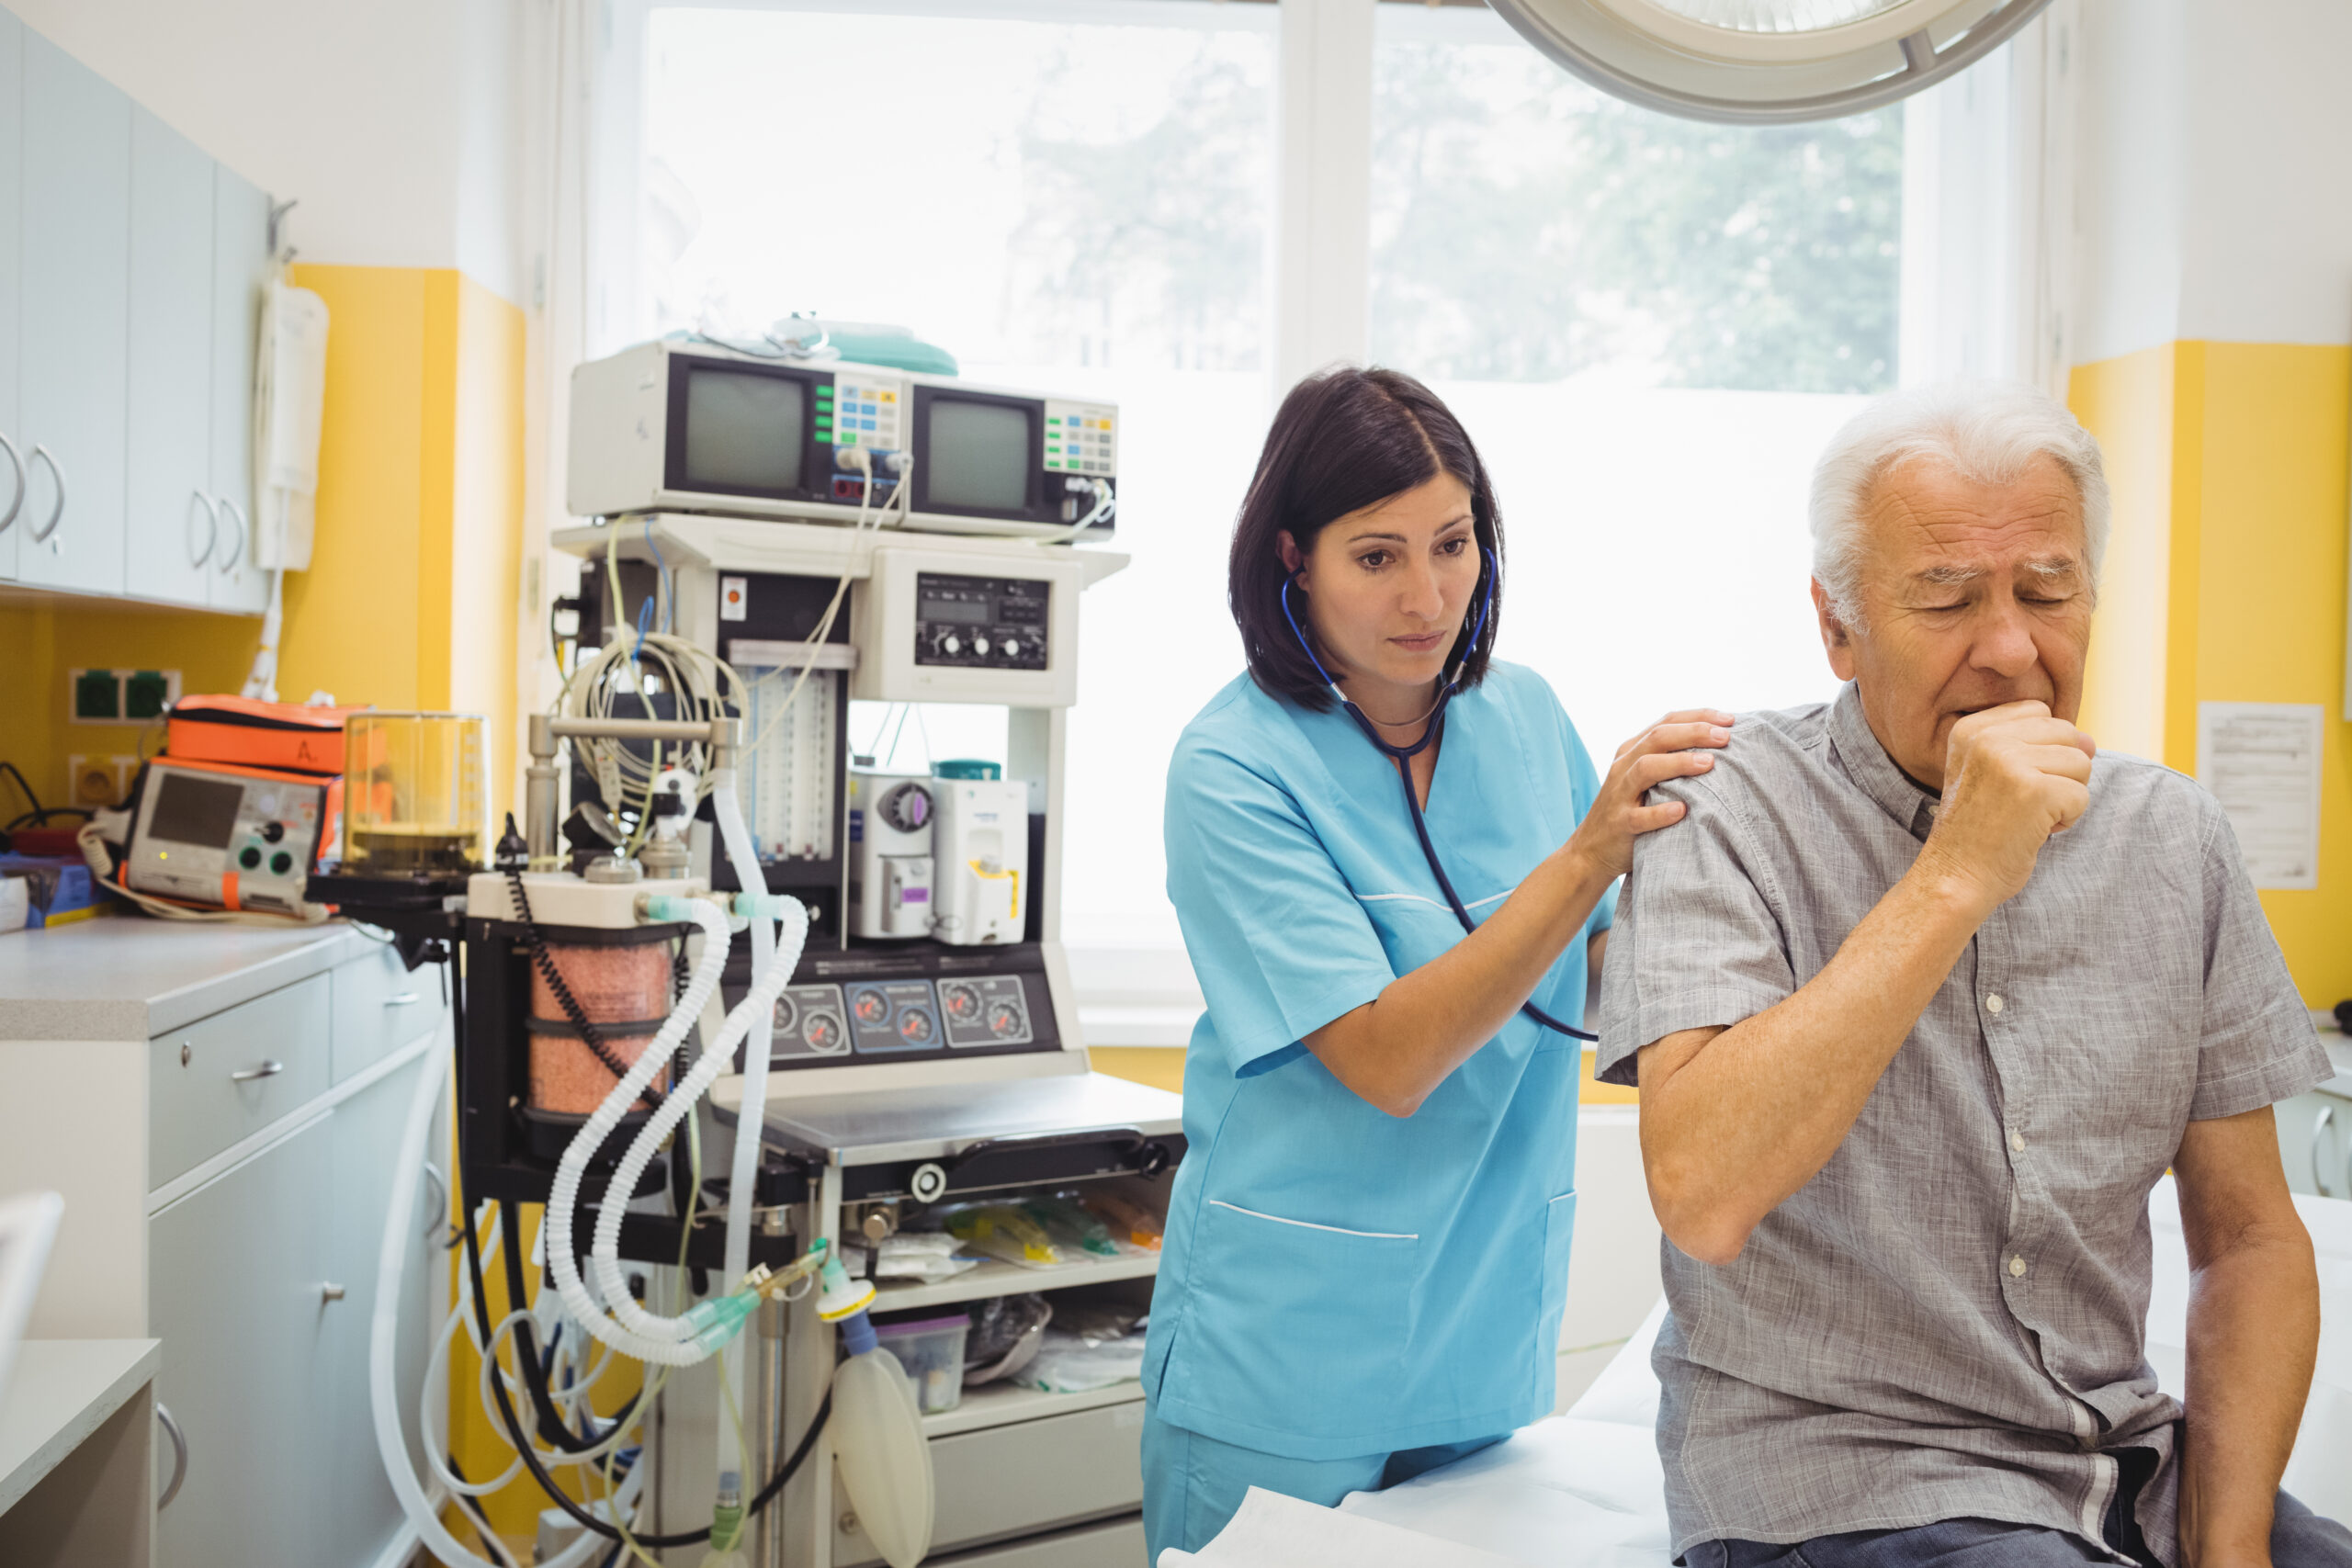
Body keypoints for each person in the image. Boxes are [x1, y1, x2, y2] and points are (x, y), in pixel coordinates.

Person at [1598, 381, 2352, 1568]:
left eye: (2048, 594)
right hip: (1838, 1485)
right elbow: (1703, 1188)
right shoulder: (1722, 803)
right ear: (1837, 627)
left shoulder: (2175, 839)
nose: (2011, 649)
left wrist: (2235, 1547)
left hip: (2125, 1467)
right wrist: (1955, 876)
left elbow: (2252, 1240)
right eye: (1946, 600)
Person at [1138, 366, 1730, 1559]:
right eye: (1378, 556)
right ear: (1294, 557)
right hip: (1286, 1360)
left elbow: (1605, 966)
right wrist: (1588, 853)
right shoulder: (1235, 766)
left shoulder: (1525, 718)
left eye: (1453, 544)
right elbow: (1388, 1058)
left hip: (1476, 1329)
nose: (1428, 594)